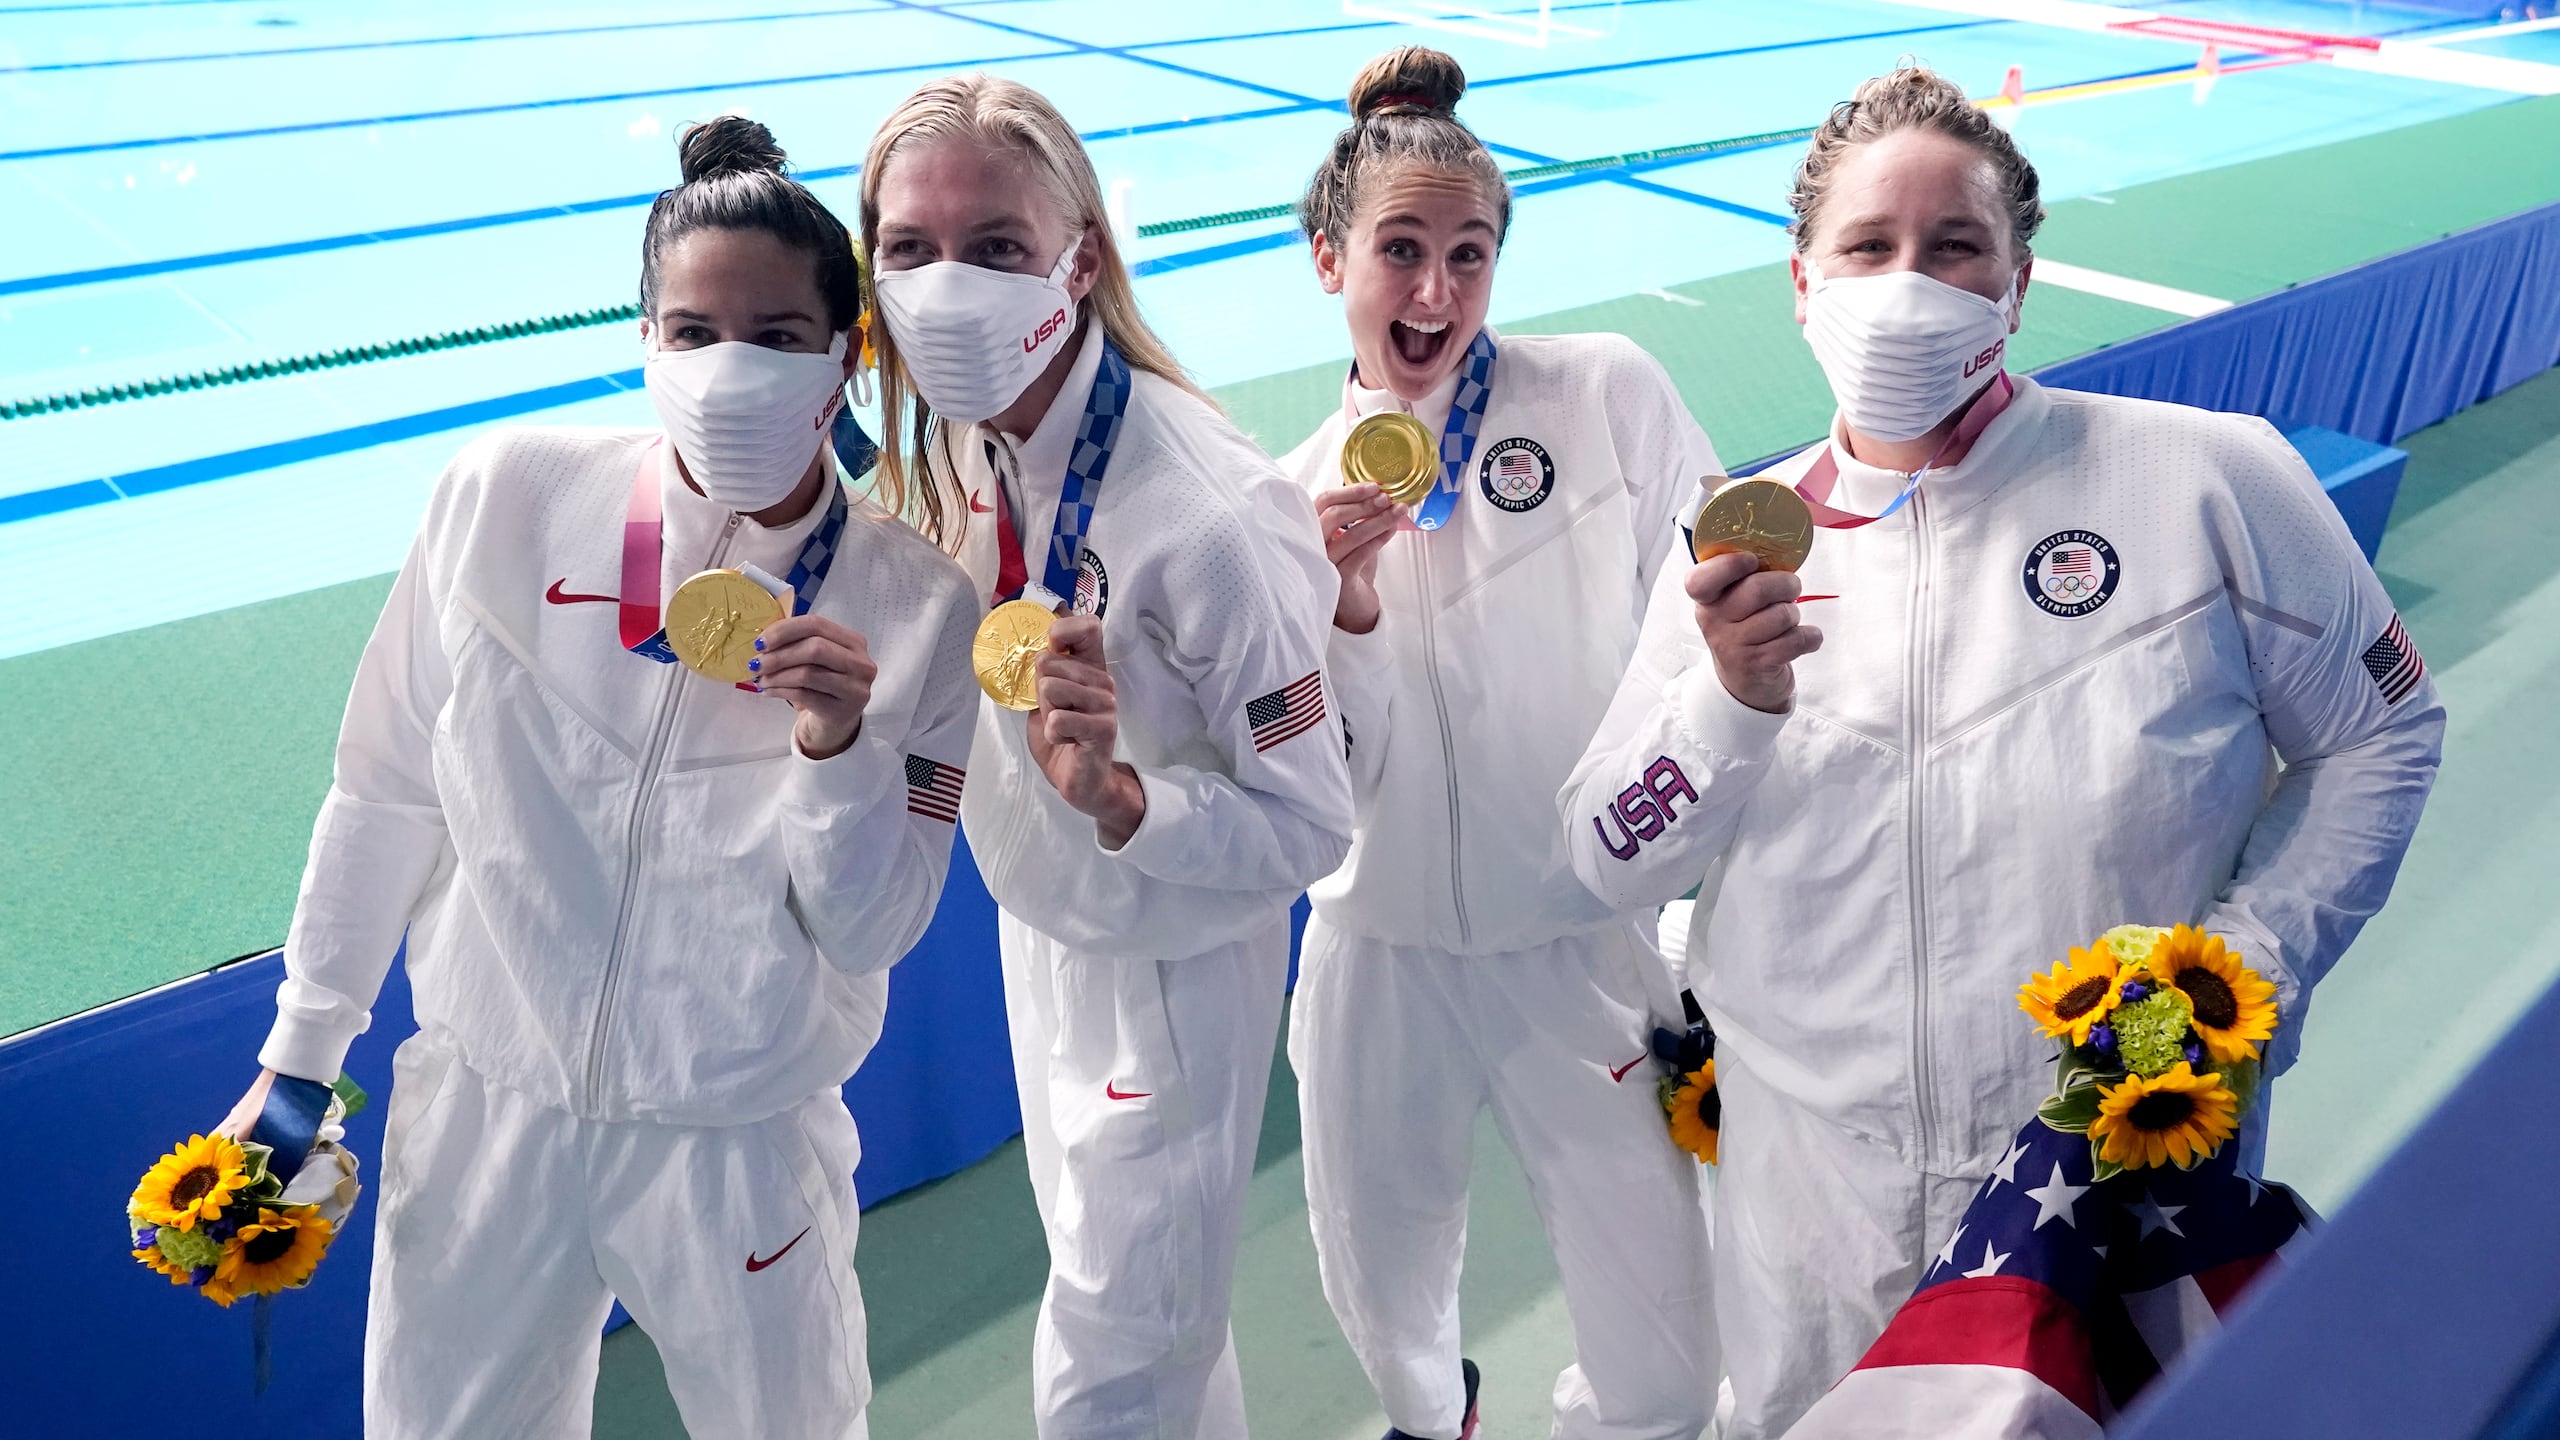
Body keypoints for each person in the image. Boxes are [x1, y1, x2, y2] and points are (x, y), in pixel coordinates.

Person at [1560, 65, 2445, 1439]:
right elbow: (1604, 850)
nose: (1907, 283)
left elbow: (2382, 732)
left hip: (2102, 1159)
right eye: (1869, 248)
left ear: (2016, 284)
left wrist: (2236, 978)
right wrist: (1726, 703)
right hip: (1812, 1190)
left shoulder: (2201, 479)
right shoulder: (1734, 537)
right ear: (1803, 285)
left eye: (1954, 247)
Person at [226, 117, 982, 1438]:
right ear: (645, 341)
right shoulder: (503, 494)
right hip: (487, 1111)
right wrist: (301, 1058)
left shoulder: (914, 606)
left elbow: (877, 926)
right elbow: (385, 787)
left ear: (846, 358)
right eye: (692, 334)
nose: (727, 369)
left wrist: (834, 749)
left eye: (777, 337)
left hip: (738, 1145)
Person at [857, 74, 1356, 1439]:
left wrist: (1130, 802)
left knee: (1112, 1361)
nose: (949, 288)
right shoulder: (978, 423)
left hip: (1175, 964)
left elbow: (1314, 825)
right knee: (1158, 1320)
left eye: (998, 248)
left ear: (1078, 261)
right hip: (1047, 920)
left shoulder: (1208, 522)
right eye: (911, 250)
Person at [1280, 47, 1720, 1440]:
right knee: (1383, 1294)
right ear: (1326, 255)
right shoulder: (1284, 499)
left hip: (1575, 935)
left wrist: (1679, 874)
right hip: (1378, 950)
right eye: (1400, 252)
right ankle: (1438, 1417)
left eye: (1468, 257)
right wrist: (1342, 614)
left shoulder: (1604, 393)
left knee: (1665, 1344)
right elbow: (1313, 786)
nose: (1435, 295)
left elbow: (1713, 608)